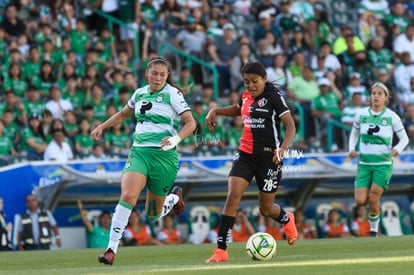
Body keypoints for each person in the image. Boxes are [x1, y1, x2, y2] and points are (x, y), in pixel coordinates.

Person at [92, 56, 196, 265]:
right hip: (139, 152)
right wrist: (102, 126)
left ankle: (174, 198)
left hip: (164, 157)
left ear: (167, 76)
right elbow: (123, 113)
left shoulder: (172, 94)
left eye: (162, 74)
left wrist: (175, 139)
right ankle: (111, 249)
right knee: (128, 195)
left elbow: (190, 123)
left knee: (153, 215)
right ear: (147, 74)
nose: (158, 78)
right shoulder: (139, 93)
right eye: (154, 73)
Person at [205, 61, 297, 263]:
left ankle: (286, 218)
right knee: (232, 196)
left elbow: (291, 126)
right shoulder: (246, 95)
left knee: (266, 209)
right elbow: (239, 109)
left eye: (255, 81)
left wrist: (283, 148)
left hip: (269, 158)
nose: (251, 86)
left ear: (264, 79)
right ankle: (221, 250)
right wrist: (216, 111)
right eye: (247, 82)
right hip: (245, 154)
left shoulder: (274, 97)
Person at [348, 82, 409, 237]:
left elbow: (404, 139)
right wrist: (351, 148)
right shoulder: (361, 114)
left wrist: (397, 149)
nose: (376, 96)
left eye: (379, 93)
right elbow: (354, 133)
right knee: (361, 201)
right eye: (373, 93)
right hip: (364, 164)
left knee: (373, 197)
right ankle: (373, 206)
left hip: (383, 164)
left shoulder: (391, 117)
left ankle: (374, 231)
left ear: (386, 98)